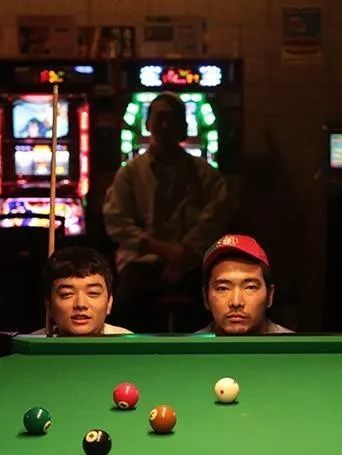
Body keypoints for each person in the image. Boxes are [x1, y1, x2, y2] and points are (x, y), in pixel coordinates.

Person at [103, 92, 237, 332]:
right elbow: (117, 221)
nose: (165, 126)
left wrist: (184, 253)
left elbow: (215, 217)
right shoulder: (129, 173)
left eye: (172, 120)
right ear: (148, 124)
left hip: (192, 262)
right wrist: (163, 249)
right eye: (160, 118)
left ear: (184, 127)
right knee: (122, 309)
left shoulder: (204, 174)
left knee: (216, 306)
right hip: (141, 261)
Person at [198, 235, 293, 335]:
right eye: (223, 288)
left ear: (269, 296)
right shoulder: (193, 344)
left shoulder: (293, 344)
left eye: (250, 287)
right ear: (205, 297)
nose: (236, 302)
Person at [34, 247, 132, 336]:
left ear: (109, 302)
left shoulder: (128, 344)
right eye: (67, 294)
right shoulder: (32, 346)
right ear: (48, 305)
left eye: (93, 293)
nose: (81, 304)